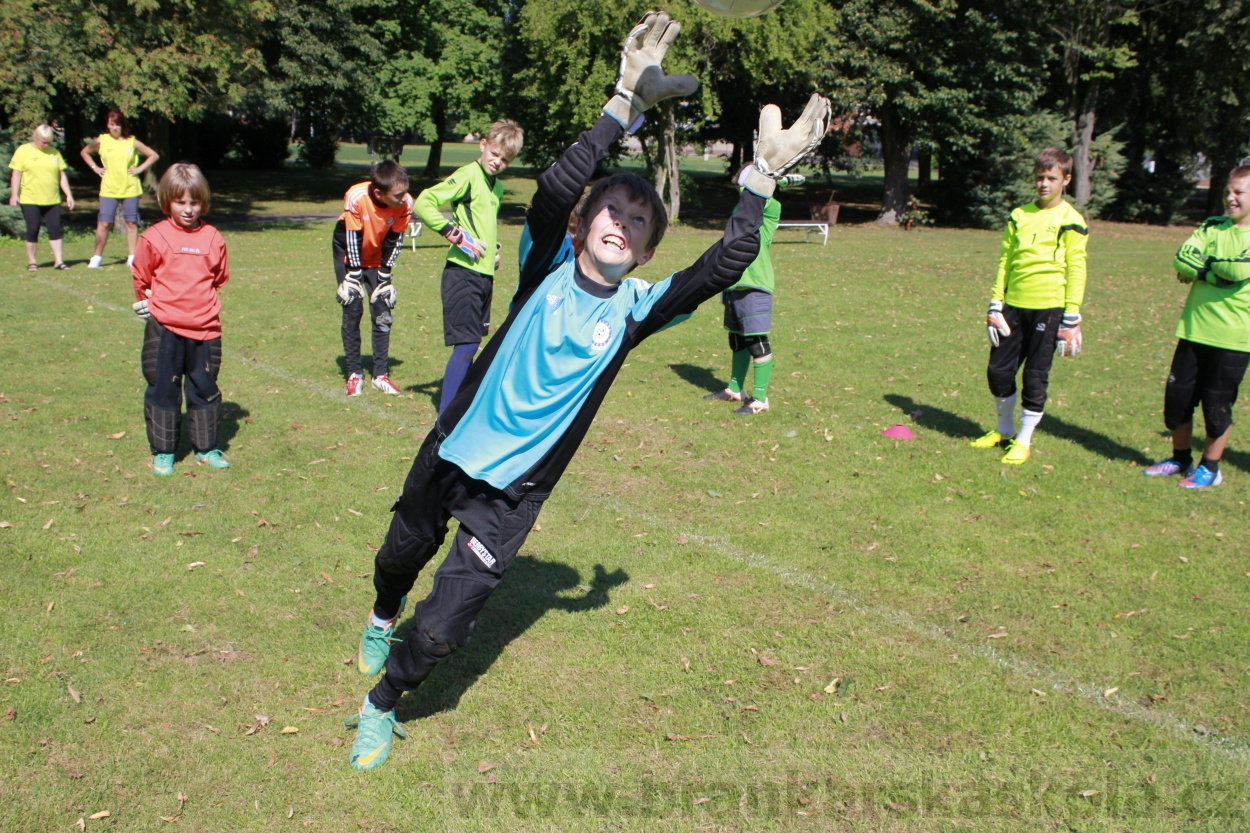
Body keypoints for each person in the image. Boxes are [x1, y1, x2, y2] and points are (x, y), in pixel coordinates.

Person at [342, 11, 831, 771]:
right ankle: (380, 613)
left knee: (442, 626)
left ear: (644, 249)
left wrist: (760, 179)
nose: (624, 223)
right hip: (454, 445)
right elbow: (562, 182)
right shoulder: (542, 264)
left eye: (640, 221)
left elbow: (724, 263)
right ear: (584, 224)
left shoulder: (634, 311)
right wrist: (621, 101)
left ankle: (382, 703)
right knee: (399, 554)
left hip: (512, 494)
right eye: (614, 209)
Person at [970, 147, 1088, 464]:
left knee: (1035, 376)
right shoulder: (1019, 215)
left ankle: (1023, 440)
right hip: (1013, 306)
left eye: (1051, 178)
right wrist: (996, 304)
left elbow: (1077, 268)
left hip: (1049, 309)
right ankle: (1005, 430)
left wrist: (1071, 316)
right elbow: (1005, 262)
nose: (1044, 184)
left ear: (1066, 179)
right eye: (1039, 178)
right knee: (998, 371)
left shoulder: (1071, 220)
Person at [1142, 165, 1250, 489]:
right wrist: (1212, 272)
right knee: (1177, 401)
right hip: (1193, 330)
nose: (1230, 198)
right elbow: (1182, 257)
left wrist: (1203, 268)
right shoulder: (1212, 225)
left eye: (1239, 192)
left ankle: (1211, 468)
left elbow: (1238, 269)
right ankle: (1180, 458)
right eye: (1228, 191)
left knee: (1217, 407)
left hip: (1234, 336)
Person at [412, 119, 525, 413]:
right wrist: (453, 233)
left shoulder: (496, 188)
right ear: (483, 145)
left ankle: (460, 408)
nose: (498, 162)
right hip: (461, 274)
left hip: (483, 275)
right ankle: (446, 417)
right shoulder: (468, 175)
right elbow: (424, 203)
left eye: (506, 159)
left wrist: (492, 254)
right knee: (465, 346)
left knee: (472, 345)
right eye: (495, 154)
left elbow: (483, 226)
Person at [130, 163, 231, 476]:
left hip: (205, 329)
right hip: (165, 329)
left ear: (203, 202)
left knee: (204, 388)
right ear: (166, 202)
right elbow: (141, 275)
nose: (188, 209)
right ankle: (163, 452)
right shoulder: (154, 237)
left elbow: (219, 276)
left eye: (194, 202)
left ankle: (206, 448)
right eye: (180, 202)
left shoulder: (213, 238)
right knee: (163, 389)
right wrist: (144, 300)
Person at [703, 170, 803, 415]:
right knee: (737, 341)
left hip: (756, 287)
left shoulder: (769, 213)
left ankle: (759, 398)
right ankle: (735, 390)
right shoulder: (741, 216)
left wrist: (769, 179)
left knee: (756, 342)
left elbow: (761, 198)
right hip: (734, 286)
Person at [332, 161, 412, 396]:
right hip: (349, 253)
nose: (404, 198)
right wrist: (354, 275)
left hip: (378, 258)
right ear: (379, 192)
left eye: (405, 191)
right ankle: (354, 373)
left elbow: (395, 241)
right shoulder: (356, 196)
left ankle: (380, 375)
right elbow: (351, 237)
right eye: (398, 194)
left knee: (383, 313)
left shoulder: (404, 204)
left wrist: (385, 276)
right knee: (352, 309)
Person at [80, 110, 160, 268]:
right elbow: (85, 152)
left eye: (117, 124)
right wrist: (95, 167)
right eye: (111, 124)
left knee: (131, 223)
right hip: (109, 188)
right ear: (107, 125)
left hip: (130, 188)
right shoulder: (101, 141)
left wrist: (139, 169)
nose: (114, 127)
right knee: (104, 223)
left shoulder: (132, 141)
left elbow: (153, 155)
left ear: (122, 125)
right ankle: (96, 257)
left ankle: (132, 257)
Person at [8, 124, 75, 271]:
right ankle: (32, 261)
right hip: (30, 198)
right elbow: (16, 174)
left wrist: (68, 195)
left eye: (48, 142)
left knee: (55, 228)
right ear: (36, 137)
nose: (46, 145)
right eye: (43, 141)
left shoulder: (54, 153)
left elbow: (61, 175)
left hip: (52, 198)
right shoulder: (23, 151)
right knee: (33, 228)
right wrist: (15, 194)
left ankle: (58, 261)